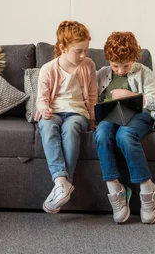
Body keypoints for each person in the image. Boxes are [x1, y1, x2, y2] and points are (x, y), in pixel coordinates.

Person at [94, 31, 155, 224]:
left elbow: (154, 101)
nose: (121, 71)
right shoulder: (102, 74)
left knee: (125, 136)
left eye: (126, 65)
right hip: (111, 116)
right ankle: (115, 189)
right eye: (115, 66)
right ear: (108, 60)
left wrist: (127, 95)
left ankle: (148, 189)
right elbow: (94, 100)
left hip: (139, 115)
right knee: (102, 133)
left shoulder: (144, 72)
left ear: (134, 59)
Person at [36, 20, 98, 213]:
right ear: (63, 48)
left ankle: (63, 185)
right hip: (54, 111)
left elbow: (93, 96)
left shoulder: (88, 65)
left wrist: (93, 119)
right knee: (47, 126)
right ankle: (61, 181)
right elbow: (41, 99)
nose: (83, 55)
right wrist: (44, 108)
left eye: (85, 50)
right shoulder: (48, 69)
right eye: (78, 50)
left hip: (77, 112)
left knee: (70, 130)